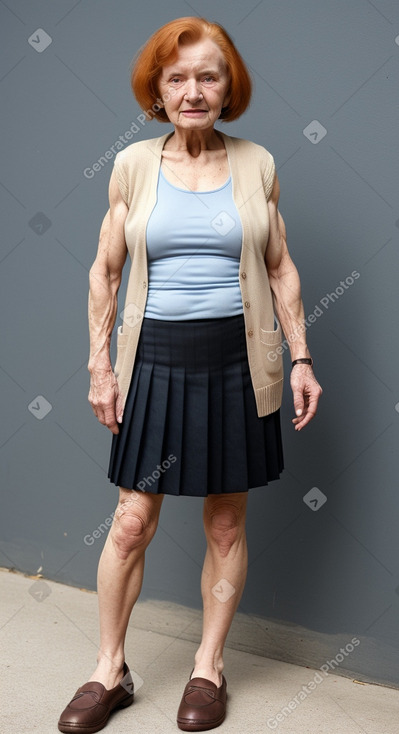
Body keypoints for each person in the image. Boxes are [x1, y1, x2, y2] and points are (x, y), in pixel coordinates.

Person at [58, 16, 322, 734]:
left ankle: (209, 666)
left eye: (208, 75)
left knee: (227, 521)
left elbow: (280, 268)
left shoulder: (257, 163)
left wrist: (300, 356)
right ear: (157, 89)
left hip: (238, 362)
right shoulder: (134, 166)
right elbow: (104, 272)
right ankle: (109, 669)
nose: (192, 90)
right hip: (154, 362)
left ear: (227, 84)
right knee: (131, 521)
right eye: (176, 77)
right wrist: (99, 366)